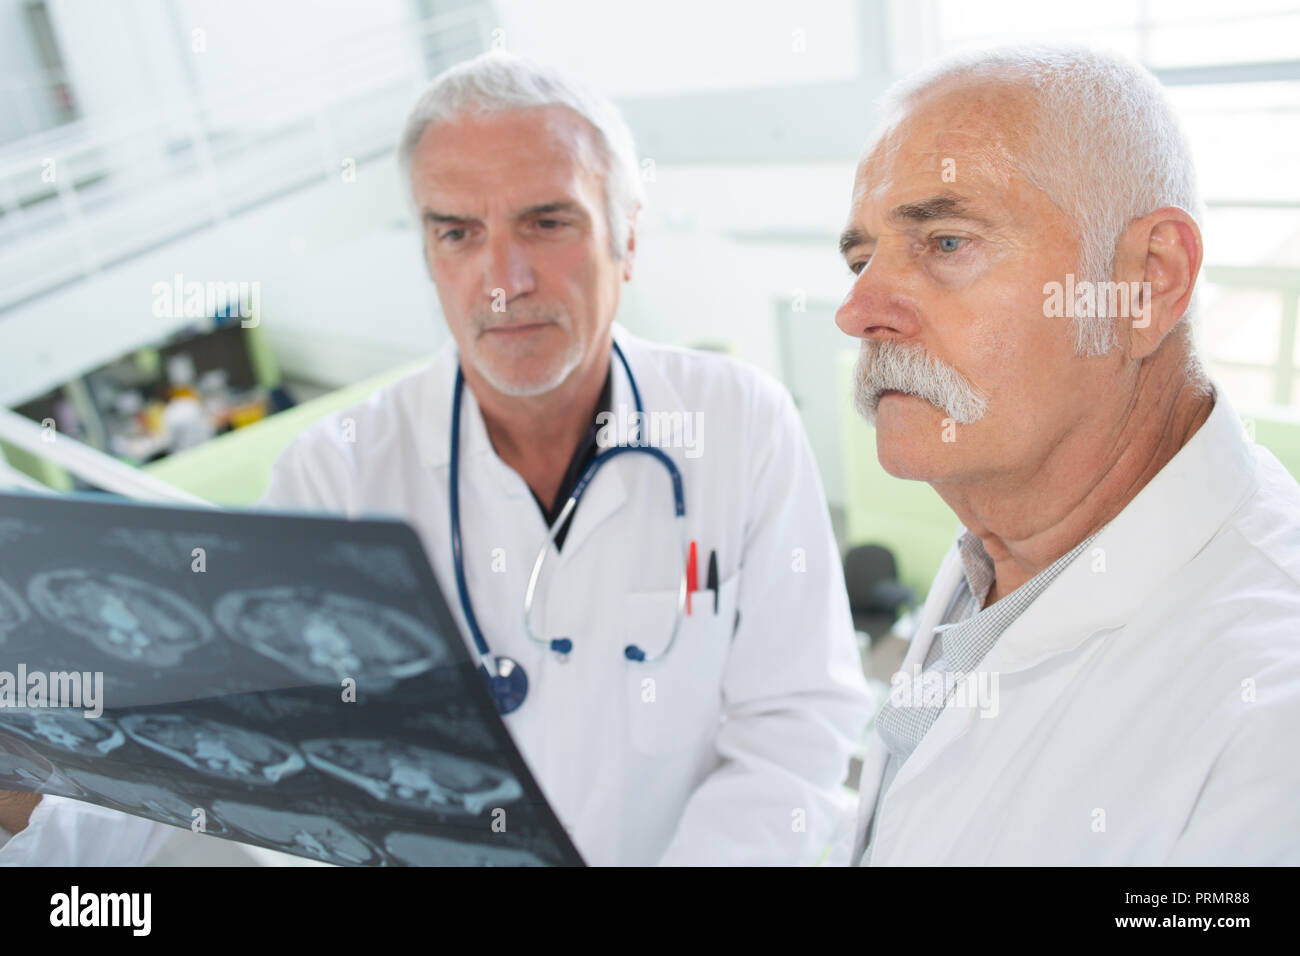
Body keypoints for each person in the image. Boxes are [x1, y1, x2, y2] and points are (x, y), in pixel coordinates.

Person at [0, 51, 871, 867]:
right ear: (427, 251)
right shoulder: (334, 476)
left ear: (627, 237)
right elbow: (247, 743)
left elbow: (797, 730)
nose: (504, 277)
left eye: (547, 221)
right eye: (457, 232)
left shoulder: (738, 424)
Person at [835, 44, 1300, 865]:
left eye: (945, 242)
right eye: (860, 258)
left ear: (1146, 282)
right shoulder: (1006, 538)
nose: (858, 308)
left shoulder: (1271, 715)